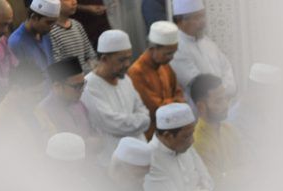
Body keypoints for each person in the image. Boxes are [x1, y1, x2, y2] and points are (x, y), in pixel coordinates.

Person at [81, 29, 148, 164]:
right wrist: (141, 121)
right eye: (122, 60)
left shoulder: (125, 79)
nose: (127, 64)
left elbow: (143, 112)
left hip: (141, 152)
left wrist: (141, 120)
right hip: (114, 159)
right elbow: (112, 124)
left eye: (129, 58)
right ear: (104, 59)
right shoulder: (89, 86)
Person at [143, 102, 214, 191]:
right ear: (167, 136)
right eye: (187, 136)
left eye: (192, 134)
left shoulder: (184, 146)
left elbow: (209, 182)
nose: (192, 141)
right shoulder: (150, 160)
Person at [127, 19, 184, 139]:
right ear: (153, 49)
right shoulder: (136, 72)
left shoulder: (164, 65)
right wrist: (175, 103)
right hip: (151, 136)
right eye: (168, 53)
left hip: (171, 132)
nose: (171, 57)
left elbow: (179, 93)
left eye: (173, 53)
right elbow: (155, 110)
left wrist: (174, 102)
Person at [169, 0, 235, 97]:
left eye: (203, 15)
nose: (203, 21)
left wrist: (226, 90)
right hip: (200, 106)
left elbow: (226, 68)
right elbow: (198, 84)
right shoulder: (176, 48)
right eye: (197, 17)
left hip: (224, 101)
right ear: (180, 21)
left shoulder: (206, 42)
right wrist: (222, 92)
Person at [191, 72, 243, 182]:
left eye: (225, 98)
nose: (225, 105)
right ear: (201, 107)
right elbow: (216, 183)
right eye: (218, 101)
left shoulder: (228, 129)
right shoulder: (197, 142)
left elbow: (247, 163)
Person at [34, 58, 98, 144]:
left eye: (83, 84)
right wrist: (85, 144)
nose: (82, 90)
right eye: (76, 86)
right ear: (57, 86)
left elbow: (94, 131)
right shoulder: (43, 111)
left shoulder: (79, 103)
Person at [8, 0, 59, 74]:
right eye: (49, 23)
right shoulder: (16, 42)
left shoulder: (45, 35)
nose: (51, 27)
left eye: (54, 23)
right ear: (34, 17)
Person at [49, 0, 97, 73]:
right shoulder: (50, 31)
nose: (74, 2)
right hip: (70, 77)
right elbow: (58, 64)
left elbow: (90, 54)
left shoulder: (77, 25)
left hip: (87, 75)